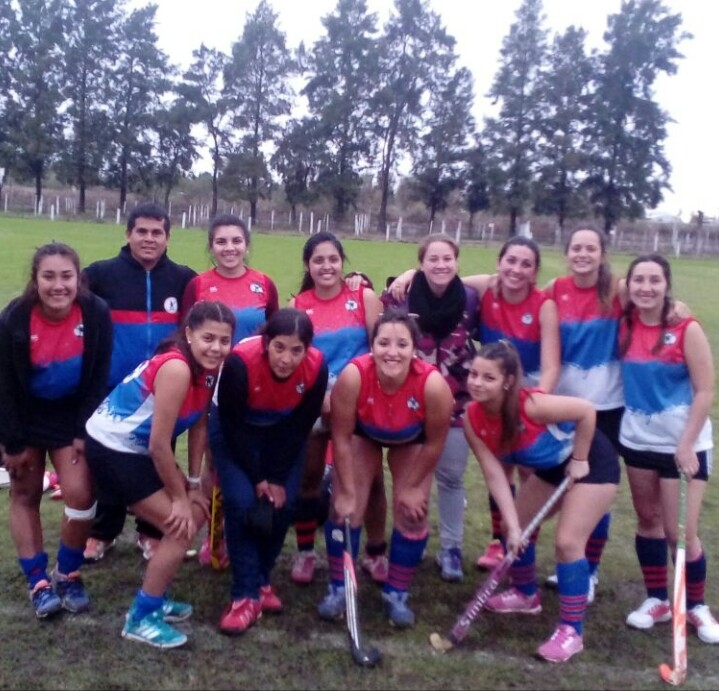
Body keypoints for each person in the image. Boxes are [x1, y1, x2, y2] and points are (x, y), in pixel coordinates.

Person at [388, 236, 560, 572]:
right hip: (476, 397)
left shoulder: (532, 304)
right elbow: (441, 279)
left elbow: (552, 364)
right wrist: (411, 274)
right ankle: (496, 542)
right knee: (500, 471)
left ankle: (509, 547)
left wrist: (533, 403)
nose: (516, 269)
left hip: (516, 399)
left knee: (524, 476)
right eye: (511, 261)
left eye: (526, 264)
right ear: (499, 263)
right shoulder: (484, 290)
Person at [84, 300, 235, 648]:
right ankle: (141, 616)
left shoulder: (210, 368)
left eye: (224, 340)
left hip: (135, 449)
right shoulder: (177, 368)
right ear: (189, 334)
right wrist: (179, 498)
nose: (216, 347)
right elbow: (158, 445)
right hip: (114, 449)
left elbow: (199, 424)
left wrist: (193, 484)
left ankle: (155, 597)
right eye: (208, 338)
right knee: (180, 528)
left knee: (196, 510)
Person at [464, 340, 619, 662]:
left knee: (567, 543)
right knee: (513, 525)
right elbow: (495, 474)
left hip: (591, 462)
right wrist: (511, 527)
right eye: (474, 374)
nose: (477, 383)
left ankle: (572, 631)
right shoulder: (471, 418)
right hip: (552, 468)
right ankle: (525, 595)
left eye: (488, 377)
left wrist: (580, 459)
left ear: (508, 381)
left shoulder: (532, 405)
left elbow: (586, 411)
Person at [317, 309, 454, 628]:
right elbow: (341, 436)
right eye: (383, 343)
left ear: (414, 349)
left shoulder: (433, 385)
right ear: (372, 345)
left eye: (402, 344)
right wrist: (346, 490)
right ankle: (339, 587)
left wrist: (413, 488)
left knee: (412, 512)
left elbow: (435, 443)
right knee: (345, 509)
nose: (392, 352)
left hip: (412, 439)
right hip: (363, 434)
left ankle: (397, 593)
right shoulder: (354, 376)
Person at [0, 242, 112, 618]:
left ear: (79, 279)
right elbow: (3, 385)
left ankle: (67, 573)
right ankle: (38, 582)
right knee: (25, 492)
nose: (58, 285)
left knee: (81, 494)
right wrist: (11, 441)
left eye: (67, 276)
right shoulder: (14, 318)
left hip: (71, 416)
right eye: (49, 276)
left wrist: (83, 429)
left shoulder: (95, 312)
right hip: (25, 416)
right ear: (36, 280)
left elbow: (98, 376)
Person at [82, 201, 197, 563]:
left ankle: (150, 532)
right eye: (141, 231)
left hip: (165, 391)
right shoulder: (100, 274)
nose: (149, 238)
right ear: (128, 233)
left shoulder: (183, 279)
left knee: (157, 456)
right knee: (110, 462)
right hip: (114, 390)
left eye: (157, 232)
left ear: (168, 237)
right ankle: (103, 531)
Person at [208, 308, 328, 635]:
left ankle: (261, 580)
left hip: (283, 433)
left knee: (284, 504)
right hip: (236, 432)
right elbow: (232, 428)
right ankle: (243, 595)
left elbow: (301, 426)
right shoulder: (239, 362)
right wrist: (259, 478)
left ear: (308, 349)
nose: (286, 359)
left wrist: (275, 479)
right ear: (265, 343)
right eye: (279, 347)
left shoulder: (317, 367)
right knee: (242, 501)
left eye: (296, 350)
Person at [619, 254, 719, 644]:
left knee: (681, 531)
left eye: (654, 280)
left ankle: (695, 605)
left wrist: (687, 443)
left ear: (666, 285)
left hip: (683, 445)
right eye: (639, 280)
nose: (646, 287)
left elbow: (705, 390)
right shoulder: (624, 323)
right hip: (638, 440)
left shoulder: (685, 328)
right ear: (629, 285)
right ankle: (658, 599)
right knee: (648, 520)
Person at [287, 231, 386, 585]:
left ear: (343, 262)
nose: (326, 266)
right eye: (318, 260)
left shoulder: (364, 297)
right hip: (314, 400)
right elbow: (294, 359)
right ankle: (305, 552)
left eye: (333, 259)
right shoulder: (298, 305)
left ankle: (376, 552)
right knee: (309, 477)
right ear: (308, 266)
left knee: (370, 481)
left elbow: (381, 350)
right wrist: (319, 396)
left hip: (360, 400)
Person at [180, 213, 279, 566]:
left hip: (254, 386)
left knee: (251, 457)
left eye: (236, 241)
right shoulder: (198, 285)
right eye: (221, 241)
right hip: (209, 385)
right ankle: (215, 537)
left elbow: (274, 336)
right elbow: (186, 335)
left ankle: (249, 529)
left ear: (247, 245)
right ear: (211, 246)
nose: (229, 248)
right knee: (214, 460)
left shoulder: (264, 284)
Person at [381, 234, 479, 582]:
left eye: (447, 259)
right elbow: (382, 338)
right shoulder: (400, 297)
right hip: (410, 405)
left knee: (451, 477)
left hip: (456, 404)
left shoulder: (470, 299)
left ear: (457, 262)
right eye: (432, 259)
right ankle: (412, 537)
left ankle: (451, 547)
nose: (440, 265)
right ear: (421, 263)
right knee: (411, 479)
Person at [541, 225, 624, 601]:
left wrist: (678, 309)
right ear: (567, 253)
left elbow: (658, 304)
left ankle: (589, 571)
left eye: (591, 248)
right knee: (568, 483)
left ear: (602, 254)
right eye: (577, 248)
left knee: (593, 487)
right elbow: (497, 283)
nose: (583, 254)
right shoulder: (555, 289)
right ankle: (575, 563)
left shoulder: (618, 291)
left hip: (605, 407)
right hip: (564, 406)